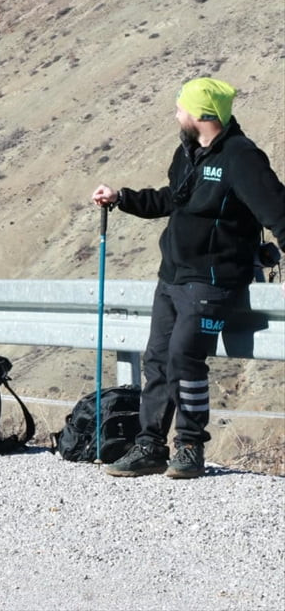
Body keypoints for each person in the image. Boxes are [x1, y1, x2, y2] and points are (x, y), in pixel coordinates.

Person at [93, 77, 285, 479]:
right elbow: (170, 198)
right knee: (158, 361)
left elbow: (277, 211)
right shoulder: (189, 153)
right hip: (173, 276)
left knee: (184, 358)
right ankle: (149, 445)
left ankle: (190, 447)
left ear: (200, 114)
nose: (175, 114)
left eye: (180, 107)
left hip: (213, 279)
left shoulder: (241, 157)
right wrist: (122, 198)